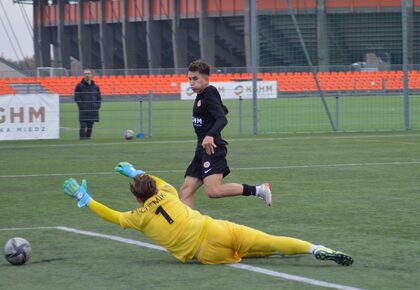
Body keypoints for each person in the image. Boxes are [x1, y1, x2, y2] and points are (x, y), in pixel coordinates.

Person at [63, 161, 354, 266]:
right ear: (153, 186)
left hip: (205, 254)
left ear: (137, 198)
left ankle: (286, 251)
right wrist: (134, 170)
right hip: (215, 228)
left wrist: (84, 197)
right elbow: (153, 180)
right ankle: (316, 248)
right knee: (271, 241)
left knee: (257, 254)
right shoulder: (168, 192)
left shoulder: (137, 218)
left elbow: (111, 215)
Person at [180, 60, 271, 208]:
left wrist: (210, 135)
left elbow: (222, 118)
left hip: (212, 148)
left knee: (213, 191)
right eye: (189, 79)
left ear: (206, 79)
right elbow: (223, 110)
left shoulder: (209, 93)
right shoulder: (203, 95)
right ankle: (189, 227)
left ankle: (259, 190)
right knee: (186, 191)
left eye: (195, 78)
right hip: (201, 149)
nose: (191, 82)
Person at [74, 69, 102, 140]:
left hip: (93, 109)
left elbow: (99, 97)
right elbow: (77, 98)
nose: (87, 75)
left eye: (89, 74)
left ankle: (88, 139)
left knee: (90, 126)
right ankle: (82, 139)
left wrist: (97, 106)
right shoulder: (79, 86)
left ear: (91, 75)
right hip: (84, 110)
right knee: (83, 125)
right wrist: (82, 106)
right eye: (86, 74)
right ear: (84, 75)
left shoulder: (96, 86)